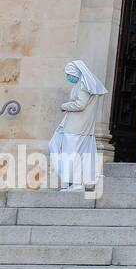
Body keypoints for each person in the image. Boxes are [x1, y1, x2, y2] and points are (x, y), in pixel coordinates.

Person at [48, 61, 107, 192]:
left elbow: (80, 105)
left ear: (75, 73)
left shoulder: (85, 85)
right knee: (57, 147)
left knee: (71, 154)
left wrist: (64, 106)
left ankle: (76, 184)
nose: (68, 77)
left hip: (76, 127)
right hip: (74, 126)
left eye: (68, 74)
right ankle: (70, 181)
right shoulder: (84, 84)